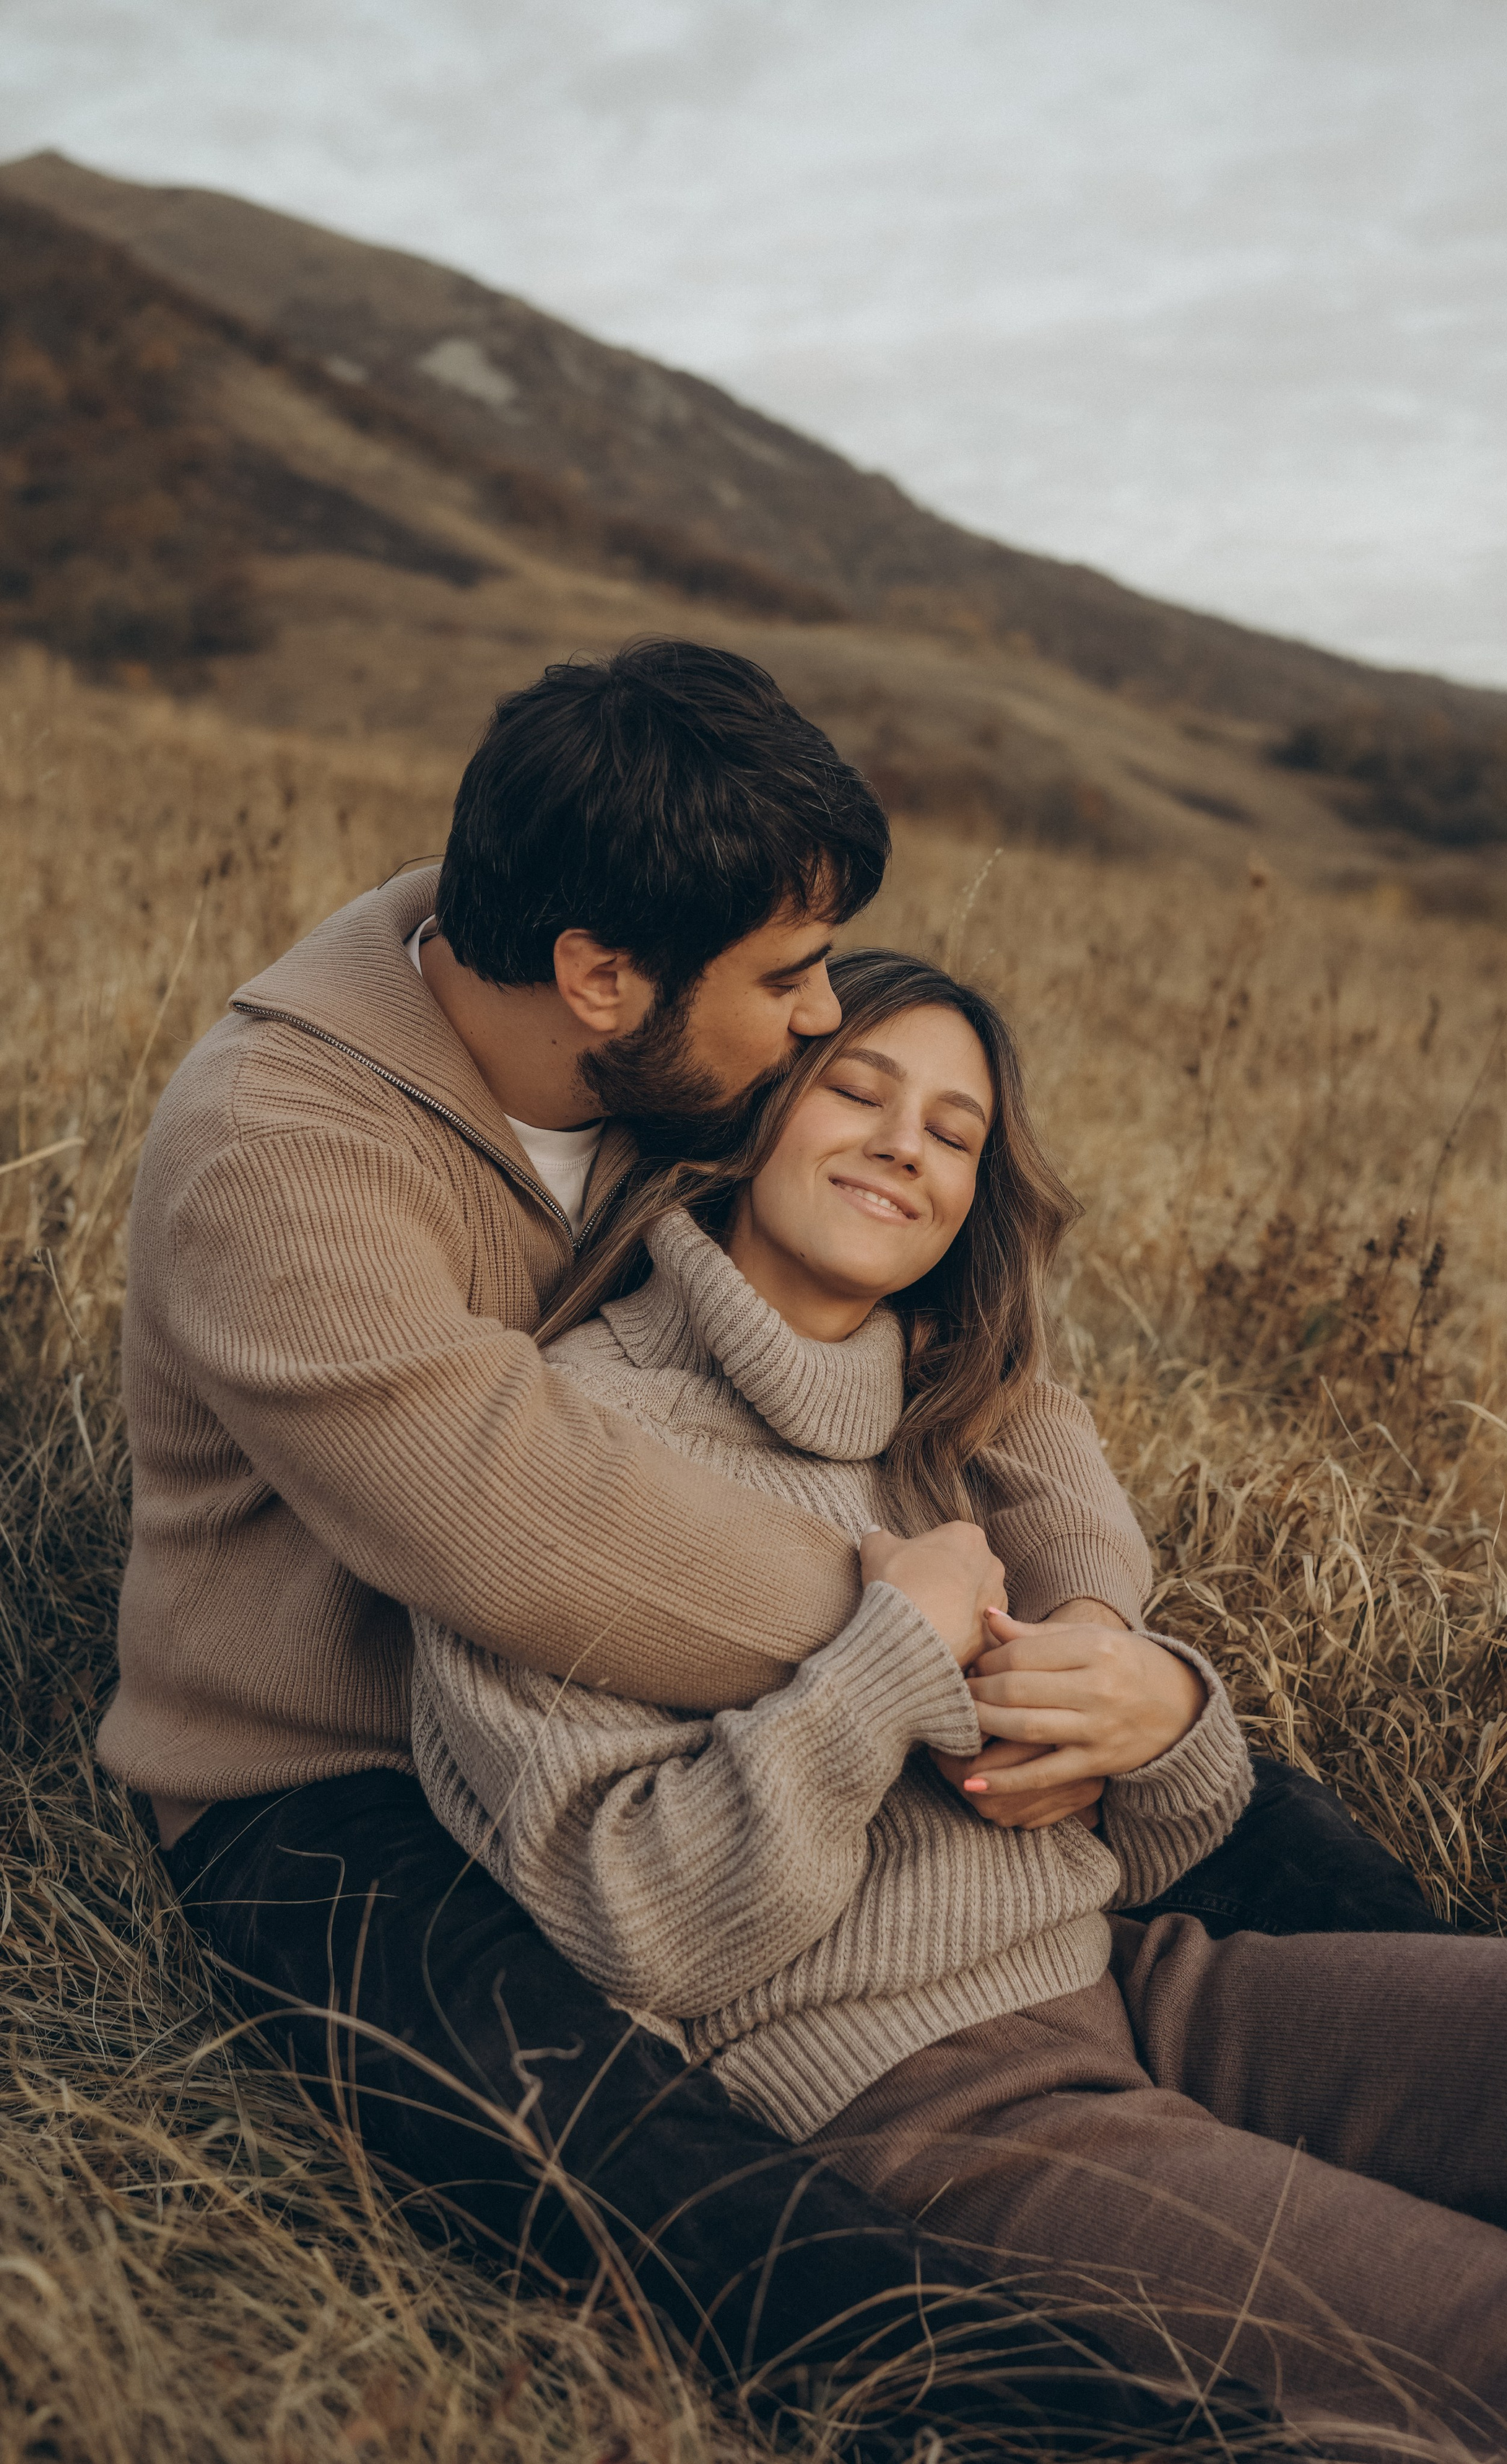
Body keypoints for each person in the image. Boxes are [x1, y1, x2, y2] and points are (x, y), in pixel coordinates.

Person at [117, 640, 1413, 2451]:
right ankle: (1101, 2432)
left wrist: (1094, 1638)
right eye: (791, 978)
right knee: (668, 2193)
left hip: (724, 1702)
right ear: (597, 976)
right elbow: (528, 1528)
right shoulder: (279, 1158)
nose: (822, 1021)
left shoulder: (663, 1039)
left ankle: (1506, 2161)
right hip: (332, 1788)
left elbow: (993, 1365)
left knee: (1294, 1853)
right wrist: (920, 1649)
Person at [413, 944, 1507, 2464]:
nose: (908, 1142)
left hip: (1125, 1978)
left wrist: (1158, 1712)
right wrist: (885, 1655)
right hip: (905, 2096)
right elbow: (640, 1927)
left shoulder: (956, 1425)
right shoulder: (569, 1440)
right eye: (857, 1090)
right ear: (754, 1110)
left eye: (956, 1132)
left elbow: (1164, 1834)